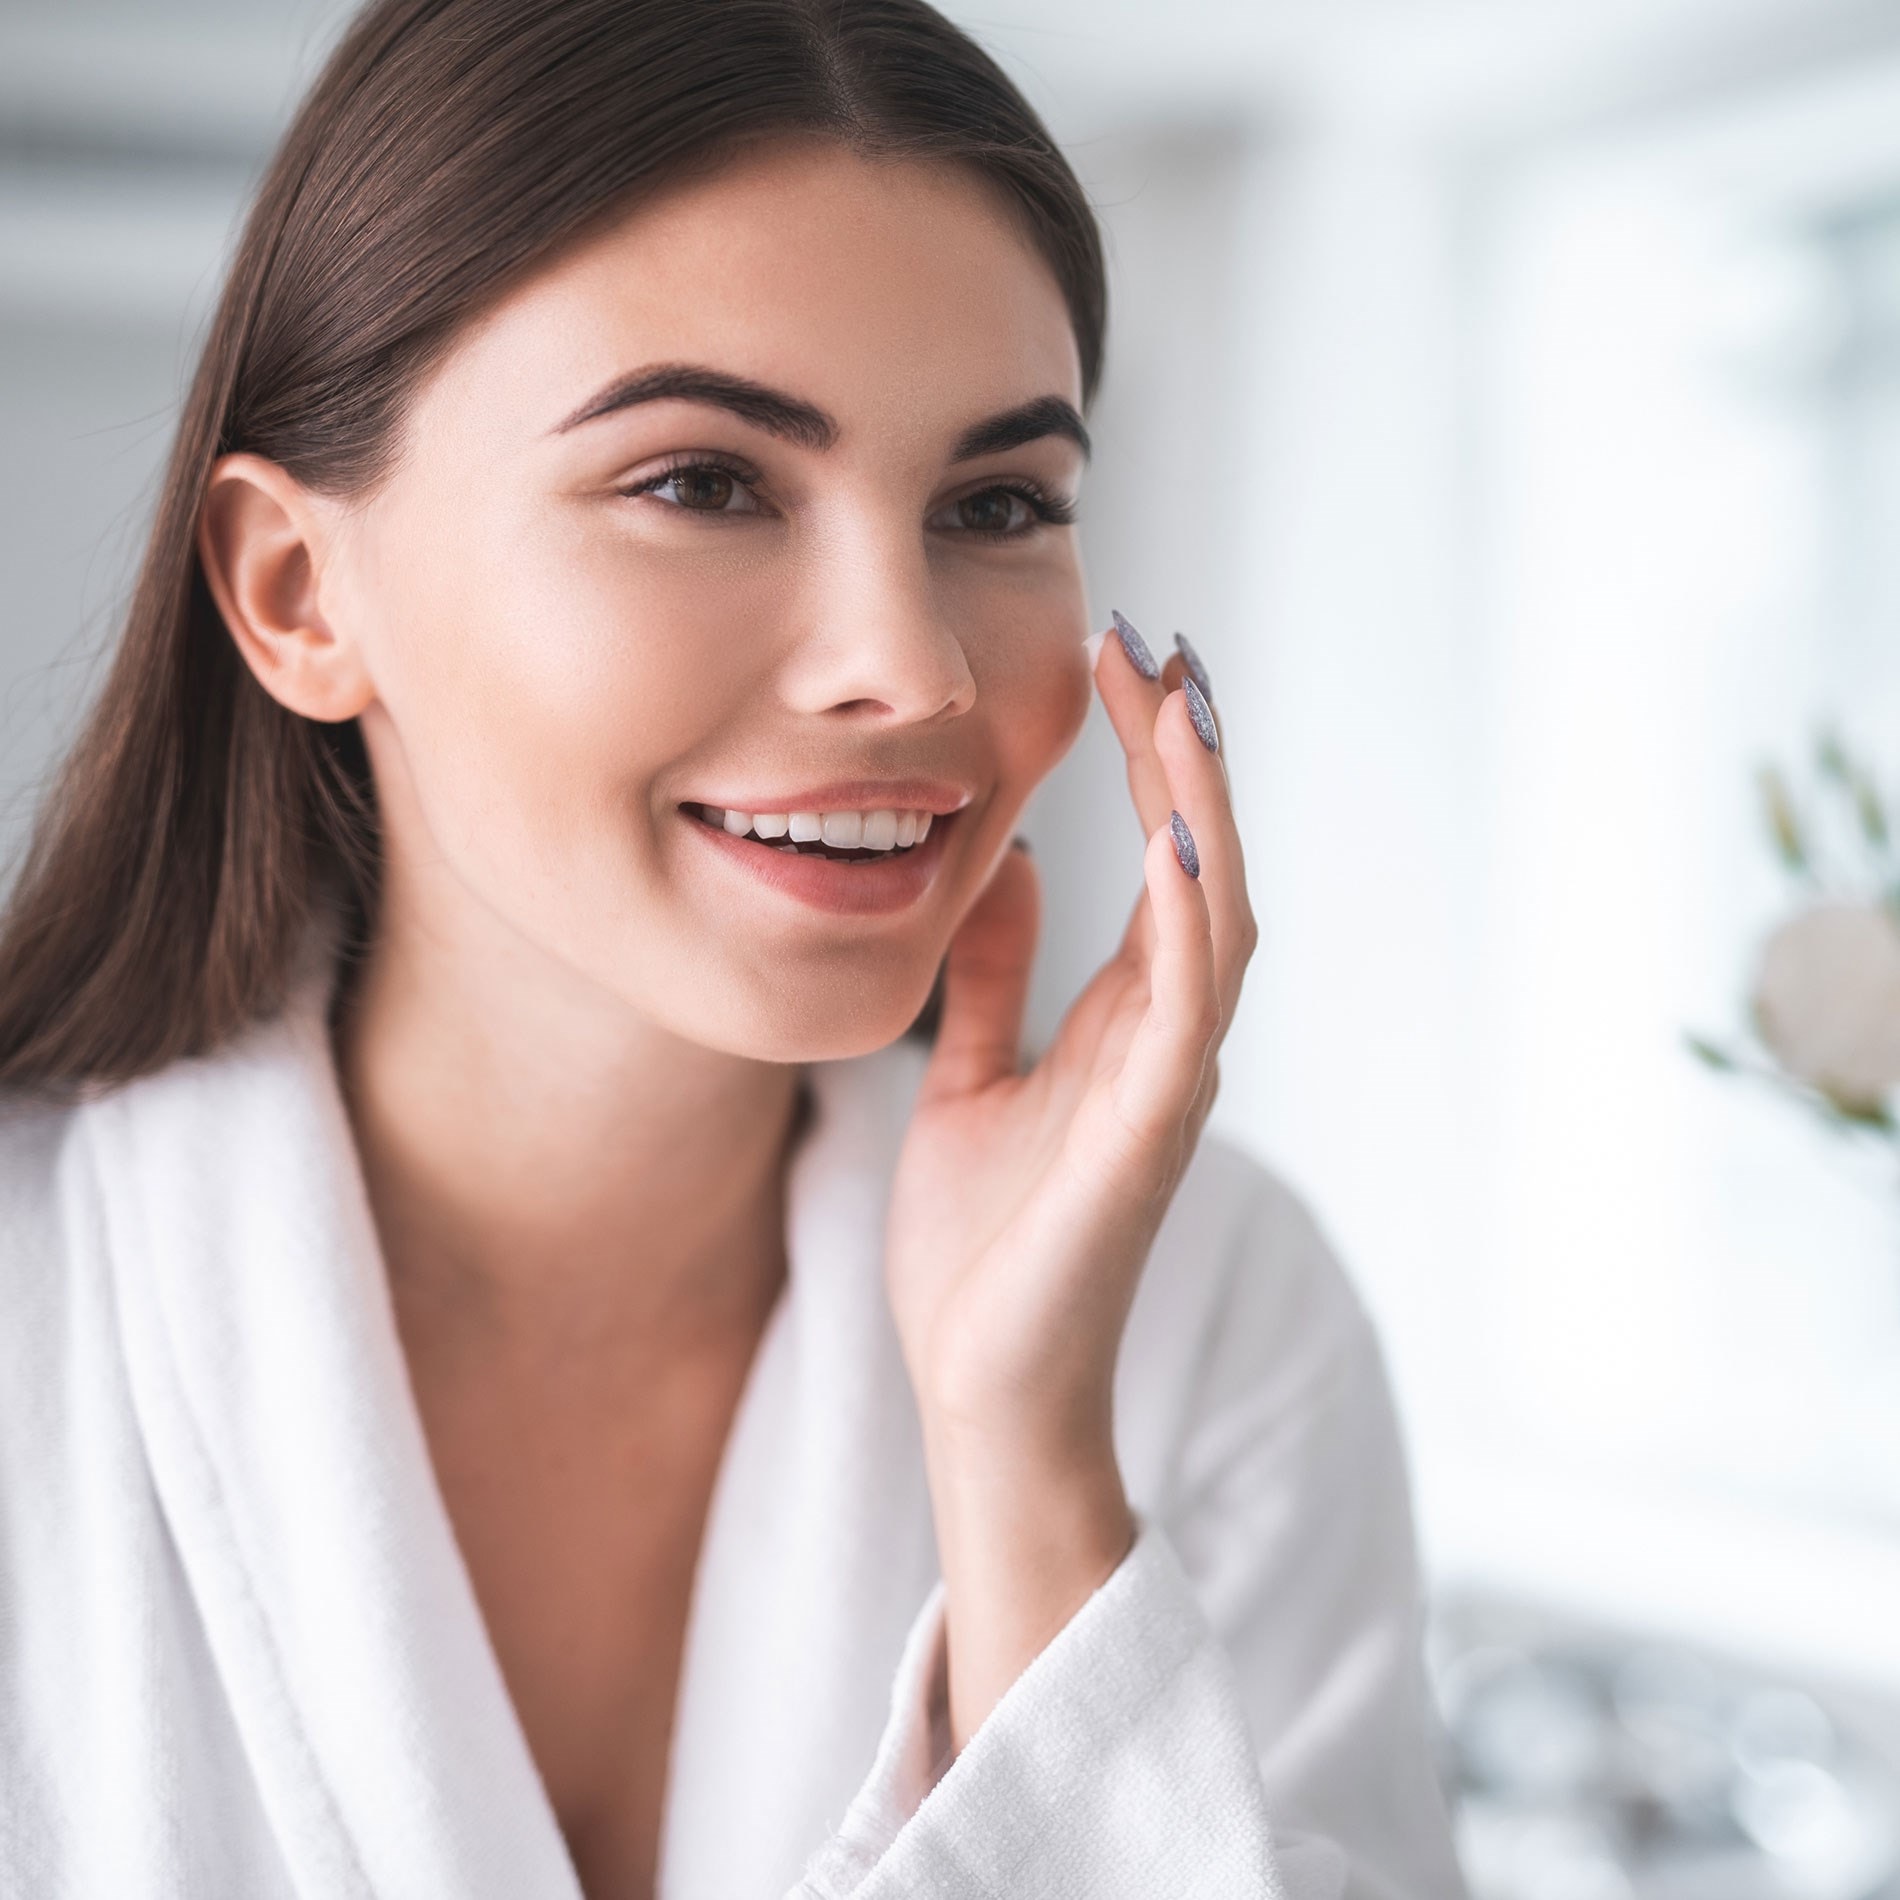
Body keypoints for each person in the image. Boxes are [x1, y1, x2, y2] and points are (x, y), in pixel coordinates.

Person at [0, 1, 1467, 1896]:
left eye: (998, 503)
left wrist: (1023, 1465)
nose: (916, 666)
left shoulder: (1213, 1321)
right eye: (701, 481)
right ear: (297, 593)